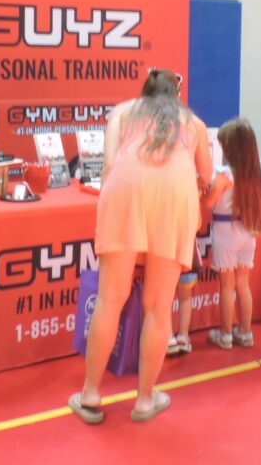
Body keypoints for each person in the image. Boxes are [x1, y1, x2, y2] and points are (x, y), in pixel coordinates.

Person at [69, 69, 212, 424]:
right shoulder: (193, 123)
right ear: (176, 96)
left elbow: (108, 165)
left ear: (144, 91)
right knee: (158, 306)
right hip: (175, 197)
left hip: (125, 191)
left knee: (109, 299)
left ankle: (90, 393)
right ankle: (145, 398)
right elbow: (206, 176)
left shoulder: (122, 111)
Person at [203, 118, 261, 350]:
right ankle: (245, 332)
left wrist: (205, 189)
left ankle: (225, 334)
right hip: (247, 231)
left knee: (227, 286)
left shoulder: (224, 176)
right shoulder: (254, 173)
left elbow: (208, 203)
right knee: (242, 284)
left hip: (225, 233)